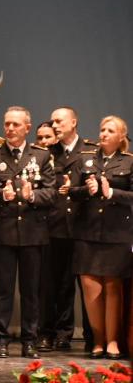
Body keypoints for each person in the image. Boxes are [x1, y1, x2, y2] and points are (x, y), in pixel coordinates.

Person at [0, 106, 56, 359]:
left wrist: (31, 195)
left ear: (27, 126)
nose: (10, 129)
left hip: (33, 233)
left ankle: (29, 341)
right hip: (3, 232)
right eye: (7, 124)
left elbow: (51, 192)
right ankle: (1, 339)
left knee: (31, 291)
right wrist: (2, 194)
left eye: (15, 124)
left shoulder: (42, 156)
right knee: (2, 291)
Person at [70, 115, 132, 360]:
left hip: (116, 233)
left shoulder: (129, 161)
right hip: (87, 231)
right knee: (90, 286)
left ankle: (113, 341)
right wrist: (88, 191)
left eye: (110, 130)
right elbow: (71, 192)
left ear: (121, 137)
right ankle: (97, 340)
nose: (104, 133)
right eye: (102, 129)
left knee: (112, 286)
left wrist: (112, 192)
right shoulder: (85, 159)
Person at [36, 107, 94, 352]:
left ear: (74, 122)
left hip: (83, 227)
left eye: (60, 121)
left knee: (86, 286)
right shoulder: (48, 153)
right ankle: (52, 333)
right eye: (54, 121)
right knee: (52, 285)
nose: (55, 125)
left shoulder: (91, 151)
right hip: (55, 225)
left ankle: (92, 337)